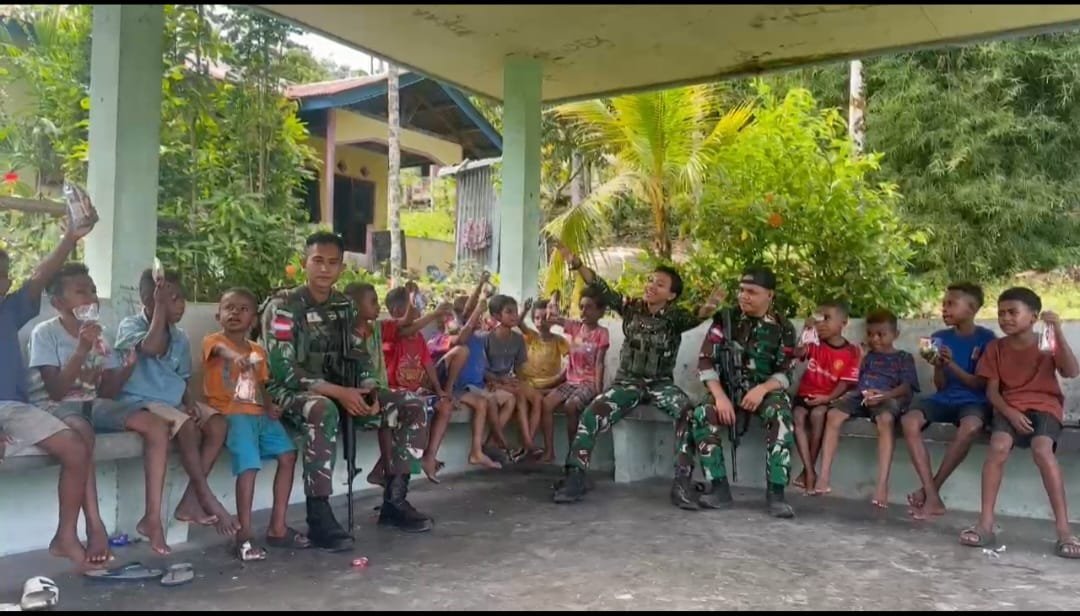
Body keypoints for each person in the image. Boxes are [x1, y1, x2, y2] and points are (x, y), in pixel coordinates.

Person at [27, 263, 171, 565]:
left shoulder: (100, 334)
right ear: (58, 303)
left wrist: (127, 369)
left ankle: (153, 517)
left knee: (157, 427)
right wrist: (81, 349)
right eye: (81, 292)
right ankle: (95, 525)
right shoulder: (46, 333)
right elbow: (55, 391)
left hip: (95, 404)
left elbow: (107, 391)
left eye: (92, 290)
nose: (91, 297)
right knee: (83, 434)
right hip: (56, 407)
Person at [552, 245, 715, 506]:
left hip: (661, 385)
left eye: (659, 284)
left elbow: (701, 314)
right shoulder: (631, 307)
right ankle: (575, 476)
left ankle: (682, 483)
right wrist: (577, 263)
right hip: (627, 383)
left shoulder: (676, 318)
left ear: (671, 295)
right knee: (592, 413)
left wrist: (713, 302)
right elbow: (601, 286)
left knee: (688, 412)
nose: (651, 285)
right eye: (650, 280)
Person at [113, 269, 239, 552]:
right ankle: (206, 499)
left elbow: (181, 378)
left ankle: (191, 500)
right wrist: (158, 309)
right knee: (186, 426)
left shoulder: (180, 338)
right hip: (141, 400)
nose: (181, 305)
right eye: (173, 299)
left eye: (182, 298)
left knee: (217, 424)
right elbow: (151, 347)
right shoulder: (130, 326)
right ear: (149, 300)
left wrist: (191, 403)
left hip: (173, 402)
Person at [0, 210, 96, 567]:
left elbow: (40, 277)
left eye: (5, 275)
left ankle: (65, 536)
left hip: (14, 408)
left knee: (74, 447)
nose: (5, 281)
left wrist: (72, 237)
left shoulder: (9, 311)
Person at [259, 231, 363, 551]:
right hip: (286, 393)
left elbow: (358, 355)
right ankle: (318, 516)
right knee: (322, 409)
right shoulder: (283, 307)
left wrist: (367, 389)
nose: (324, 269)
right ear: (304, 263)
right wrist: (339, 393)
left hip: (334, 390)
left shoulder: (345, 306)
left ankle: (394, 501)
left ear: (341, 269)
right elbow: (283, 371)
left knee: (408, 403)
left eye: (333, 263)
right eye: (318, 261)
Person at [960, 287, 1080, 559]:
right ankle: (986, 524)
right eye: (1001, 313)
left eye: (1013, 312)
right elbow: (992, 392)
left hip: (1045, 406)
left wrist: (1057, 331)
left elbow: (1071, 371)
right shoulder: (995, 348)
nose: (1006, 318)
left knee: (1042, 449)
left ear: (1034, 316)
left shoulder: (1046, 343)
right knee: (998, 446)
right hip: (1008, 406)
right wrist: (1010, 413)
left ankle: (1064, 530)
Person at [202, 288, 309, 561]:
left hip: (259, 414)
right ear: (218, 315)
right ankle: (244, 535)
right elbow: (219, 349)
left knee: (288, 455)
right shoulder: (213, 341)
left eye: (243, 309)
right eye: (229, 307)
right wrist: (233, 356)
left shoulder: (258, 351)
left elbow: (261, 384)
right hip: (231, 415)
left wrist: (270, 405)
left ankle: (277, 526)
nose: (235, 313)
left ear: (253, 320)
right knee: (249, 467)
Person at [693, 267, 799, 517]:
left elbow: (786, 372)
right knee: (701, 413)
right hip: (727, 388)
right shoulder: (725, 320)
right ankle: (718, 488)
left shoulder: (783, 327)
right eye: (741, 290)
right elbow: (705, 361)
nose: (744, 296)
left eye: (752, 292)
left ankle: (776, 493)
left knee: (781, 416)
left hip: (765, 390)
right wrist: (719, 397)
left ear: (769, 295)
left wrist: (761, 389)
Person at [901, 283, 996, 520]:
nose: (944, 309)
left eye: (951, 304)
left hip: (974, 401)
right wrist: (939, 366)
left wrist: (952, 363)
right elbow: (941, 385)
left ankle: (931, 492)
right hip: (944, 398)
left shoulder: (988, 339)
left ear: (972, 308)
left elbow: (980, 385)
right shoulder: (938, 338)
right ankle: (933, 497)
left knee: (971, 427)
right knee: (909, 420)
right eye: (943, 304)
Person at [344, 282, 433, 533]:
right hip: (353, 398)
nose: (377, 306)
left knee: (414, 407)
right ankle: (393, 500)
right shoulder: (342, 335)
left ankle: (395, 500)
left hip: (380, 397)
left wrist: (411, 294)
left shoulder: (379, 330)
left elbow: (405, 322)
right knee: (408, 406)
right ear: (354, 306)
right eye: (372, 301)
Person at [815, 309, 919, 508]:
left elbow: (906, 386)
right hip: (862, 396)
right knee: (834, 415)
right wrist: (860, 360)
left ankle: (881, 485)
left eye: (881, 334)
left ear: (895, 335)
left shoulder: (903, 357)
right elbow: (855, 379)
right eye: (871, 334)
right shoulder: (868, 356)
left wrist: (883, 396)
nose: (875, 339)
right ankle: (824, 476)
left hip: (888, 397)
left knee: (885, 421)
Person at [355, 285, 454, 485]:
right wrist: (432, 311)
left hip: (413, 393)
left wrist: (439, 390)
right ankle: (387, 469)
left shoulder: (416, 337)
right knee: (401, 412)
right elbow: (405, 326)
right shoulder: (386, 332)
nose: (419, 313)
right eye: (416, 308)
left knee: (444, 405)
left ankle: (429, 456)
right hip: (391, 391)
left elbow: (427, 363)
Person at [790, 301, 861, 495]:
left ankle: (807, 471)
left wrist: (826, 398)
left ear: (843, 323)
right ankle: (810, 471)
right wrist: (806, 329)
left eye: (827, 318)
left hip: (827, 398)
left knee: (818, 415)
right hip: (805, 394)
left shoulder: (851, 352)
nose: (821, 323)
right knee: (797, 416)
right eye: (819, 319)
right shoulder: (814, 344)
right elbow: (798, 353)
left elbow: (845, 383)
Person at [541, 284, 610, 464]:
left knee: (571, 406)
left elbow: (599, 362)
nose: (584, 311)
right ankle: (549, 451)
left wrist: (598, 390)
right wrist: (552, 304)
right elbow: (551, 319)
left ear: (600, 311)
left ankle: (574, 454)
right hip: (570, 382)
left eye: (589, 307)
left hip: (587, 382)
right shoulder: (574, 327)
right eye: (581, 307)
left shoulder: (602, 333)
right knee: (546, 404)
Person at [516, 298, 570, 460]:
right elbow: (519, 323)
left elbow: (570, 365)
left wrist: (557, 380)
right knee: (523, 403)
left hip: (549, 383)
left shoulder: (559, 341)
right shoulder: (531, 336)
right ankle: (526, 445)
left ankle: (526, 446)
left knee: (537, 399)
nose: (540, 322)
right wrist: (525, 309)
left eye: (544, 318)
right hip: (527, 383)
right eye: (537, 318)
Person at [483, 294, 535, 460]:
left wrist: (521, 383)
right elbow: (481, 371)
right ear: (497, 316)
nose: (514, 316)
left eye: (516, 311)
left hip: (507, 381)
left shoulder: (518, 339)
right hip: (490, 382)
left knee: (526, 395)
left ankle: (525, 442)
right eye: (509, 312)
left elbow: (519, 368)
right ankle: (525, 442)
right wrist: (499, 381)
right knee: (516, 395)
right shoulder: (487, 338)